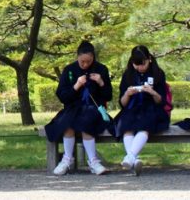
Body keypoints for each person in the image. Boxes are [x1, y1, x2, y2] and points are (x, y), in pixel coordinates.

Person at [47, 40, 114, 175]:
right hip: (72, 108)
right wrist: (76, 86)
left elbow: (108, 96)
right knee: (67, 122)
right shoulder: (69, 70)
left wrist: (101, 82)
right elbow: (63, 96)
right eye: (82, 61)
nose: (85, 64)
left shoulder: (101, 69)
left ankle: (93, 161)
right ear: (77, 57)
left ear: (93, 58)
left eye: (88, 61)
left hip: (93, 108)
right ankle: (67, 159)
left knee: (86, 120)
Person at [114, 45, 170, 175]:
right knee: (126, 125)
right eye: (136, 64)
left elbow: (161, 101)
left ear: (149, 59)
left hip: (152, 108)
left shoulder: (158, 73)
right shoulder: (128, 75)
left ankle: (130, 157)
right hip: (132, 108)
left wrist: (152, 92)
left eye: (142, 64)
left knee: (145, 124)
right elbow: (122, 103)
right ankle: (133, 159)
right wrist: (127, 94)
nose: (140, 67)